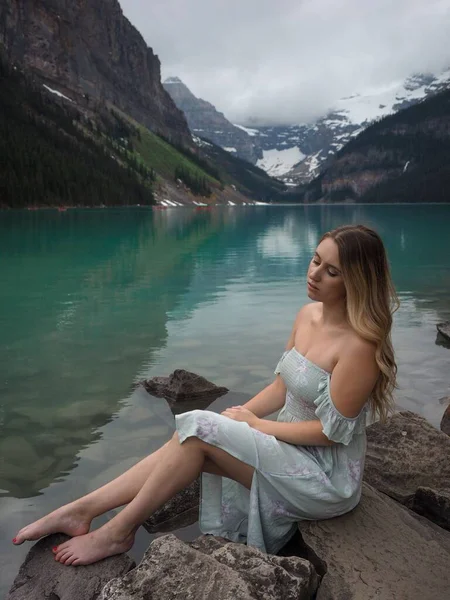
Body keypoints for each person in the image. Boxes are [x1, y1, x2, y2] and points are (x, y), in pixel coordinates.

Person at [12, 224, 399, 566]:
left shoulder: (359, 346)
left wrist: (255, 425)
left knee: (197, 430)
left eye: (331, 272)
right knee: (194, 432)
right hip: (287, 447)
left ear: (356, 282)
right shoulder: (307, 315)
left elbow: (331, 434)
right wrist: (237, 415)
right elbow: (281, 388)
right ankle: (82, 510)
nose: (314, 274)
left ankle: (116, 531)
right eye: (315, 260)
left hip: (322, 476)